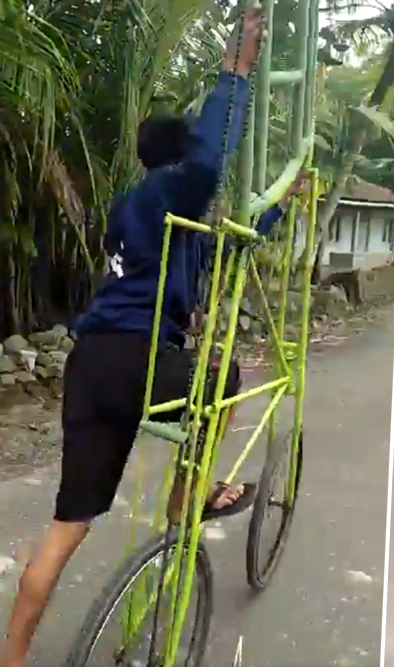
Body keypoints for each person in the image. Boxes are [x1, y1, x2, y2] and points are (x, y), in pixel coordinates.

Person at [0, 9, 307, 667]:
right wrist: (238, 70)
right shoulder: (174, 192)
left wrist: (280, 208)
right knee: (220, 376)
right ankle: (187, 493)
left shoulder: (140, 216)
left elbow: (228, 255)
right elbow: (210, 155)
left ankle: (14, 655)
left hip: (91, 364)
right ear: (175, 160)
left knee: (66, 528)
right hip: (136, 357)